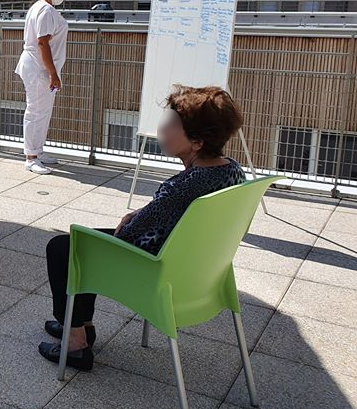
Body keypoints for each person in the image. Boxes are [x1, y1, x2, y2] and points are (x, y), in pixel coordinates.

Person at [39, 85, 247, 371]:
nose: (163, 127)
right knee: (85, 243)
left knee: (67, 248)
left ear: (197, 141)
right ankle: (82, 325)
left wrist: (134, 219)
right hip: (193, 268)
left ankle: (76, 342)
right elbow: (171, 212)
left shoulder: (181, 187)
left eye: (172, 124)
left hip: (155, 269)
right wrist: (143, 212)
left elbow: (129, 234)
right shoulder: (233, 171)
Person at [15, 0, 69, 175]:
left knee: (42, 111)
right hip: (39, 68)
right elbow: (42, 43)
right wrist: (53, 74)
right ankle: (31, 157)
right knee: (36, 111)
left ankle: (37, 151)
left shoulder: (40, 7)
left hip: (39, 67)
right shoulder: (45, 10)